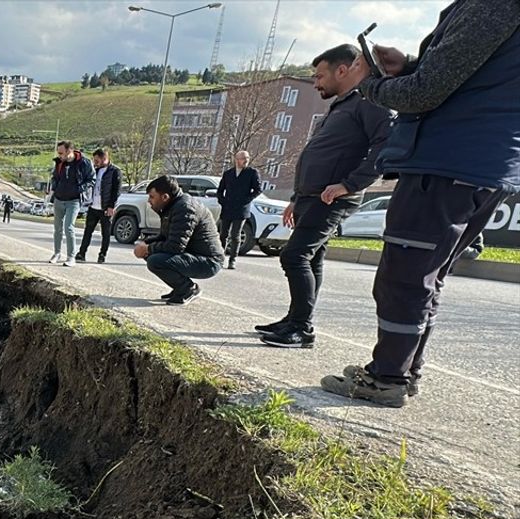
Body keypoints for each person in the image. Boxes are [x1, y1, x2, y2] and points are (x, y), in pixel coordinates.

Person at [321, 0, 520, 407]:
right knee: (427, 276)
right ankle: (403, 370)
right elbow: (472, 77)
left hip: (448, 160)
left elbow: (424, 94)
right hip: (484, 166)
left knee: (404, 278)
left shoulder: (492, 5)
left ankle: (387, 378)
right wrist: (411, 64)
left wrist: (367, 83)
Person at [258, 44, 392, 350]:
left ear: (342, 70)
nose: (316, 83)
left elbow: (385, 146)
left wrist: (348, 184)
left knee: (294, 256)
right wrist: (296, 197)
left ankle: (301, 328)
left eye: (319, 76)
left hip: (332, 198)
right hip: (310, 197)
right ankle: (295, 319)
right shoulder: (339, 106)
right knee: (313, 258)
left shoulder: (367, 103)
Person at [133, 175, 225, 304]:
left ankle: (188, 289)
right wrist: (145, 243)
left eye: (152, 197)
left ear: (165, 197)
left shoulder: (185, 208)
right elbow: (165, 237)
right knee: (150, 253)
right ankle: (179, 287)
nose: (149, 201)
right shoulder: (171, 206)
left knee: (155, 260)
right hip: (194, 254)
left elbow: (175, 246)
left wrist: (148, 248)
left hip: (209, 261)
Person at [49, 140, 94, 266]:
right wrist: (55, 187)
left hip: (74, 200)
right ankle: (57, 253)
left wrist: (79, 189)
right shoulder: (59, 163)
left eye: (61, 153)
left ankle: (71, 257)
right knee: (57, 228)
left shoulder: (84, 162)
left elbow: (91, 179)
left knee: (68, 227)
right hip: (59, 198)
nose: (59, 155)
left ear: (69, 151)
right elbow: (55, 177)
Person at [216, 150, 262, 269]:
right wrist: (222, 201)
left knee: (235, 235)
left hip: (241, 209)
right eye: (243, 158)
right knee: (223, 234)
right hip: (228, 208)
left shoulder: (252, 173)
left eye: (247, 158)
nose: (246, 160)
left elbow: (258, 189)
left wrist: (247, 200)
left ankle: (233, 259)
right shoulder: (228, 173)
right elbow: (220, 190)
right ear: (236, 160)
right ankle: (219, 258)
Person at [75, 148, 122, 263]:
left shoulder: (115, 171)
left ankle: (102, 254)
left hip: (105, 207)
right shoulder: (94, 170)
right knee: (88, 231)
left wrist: (111, 206)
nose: (95, 162)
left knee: (105, 233)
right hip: (93, 206)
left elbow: (116, 190)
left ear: (104, 158)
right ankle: (81, 253)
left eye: (97, 160)